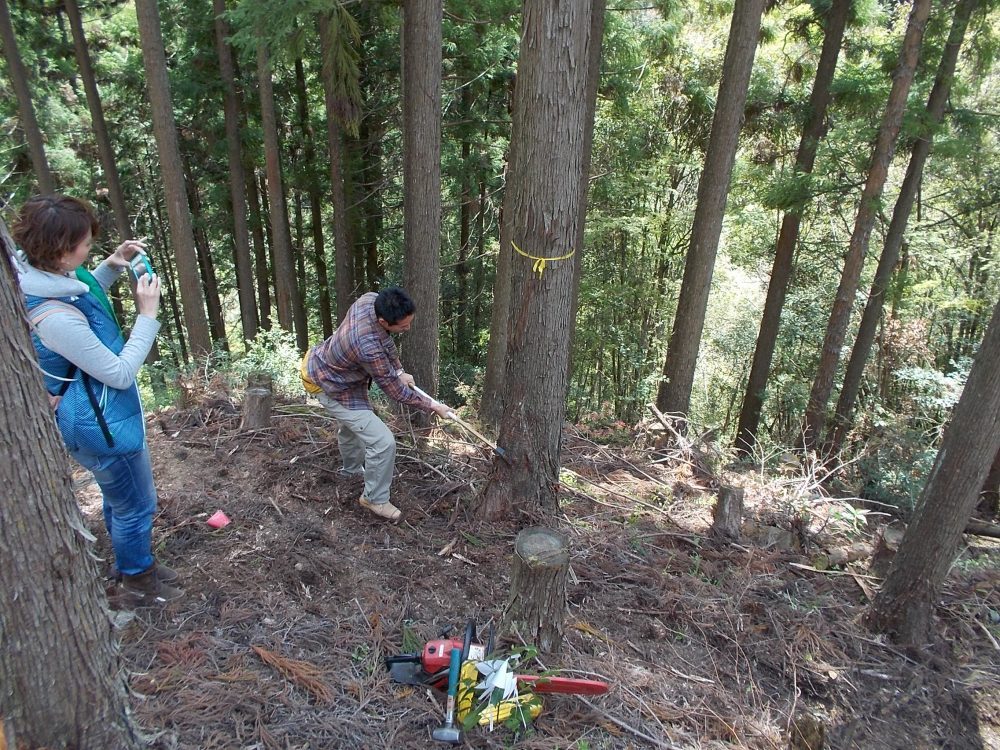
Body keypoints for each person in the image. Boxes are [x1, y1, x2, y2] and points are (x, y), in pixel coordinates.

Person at [12, 194, 182, 605]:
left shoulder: (44, 275)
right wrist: (147, 315)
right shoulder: (54, 318)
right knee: (137, 504)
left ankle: (130, 562)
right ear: (59, 253)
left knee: (121, 498)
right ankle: (138, 582)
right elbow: (119, 372)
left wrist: (109, 265)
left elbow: (83, 293)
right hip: (101, 425)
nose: (90, 251)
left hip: (102, 416)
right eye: (85, 245)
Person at [301, 287, 451, 521]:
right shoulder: (366, 346)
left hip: (328, 368)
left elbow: (387, 343)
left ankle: (350, 472)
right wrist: (432, 406)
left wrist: (399, 370)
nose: (407, 329)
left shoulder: (370, 300)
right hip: (327, 384)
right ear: (383, 320)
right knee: (383, 443)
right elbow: (394, 390)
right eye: (402, 326)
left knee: (352, 426)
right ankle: (374, 499)